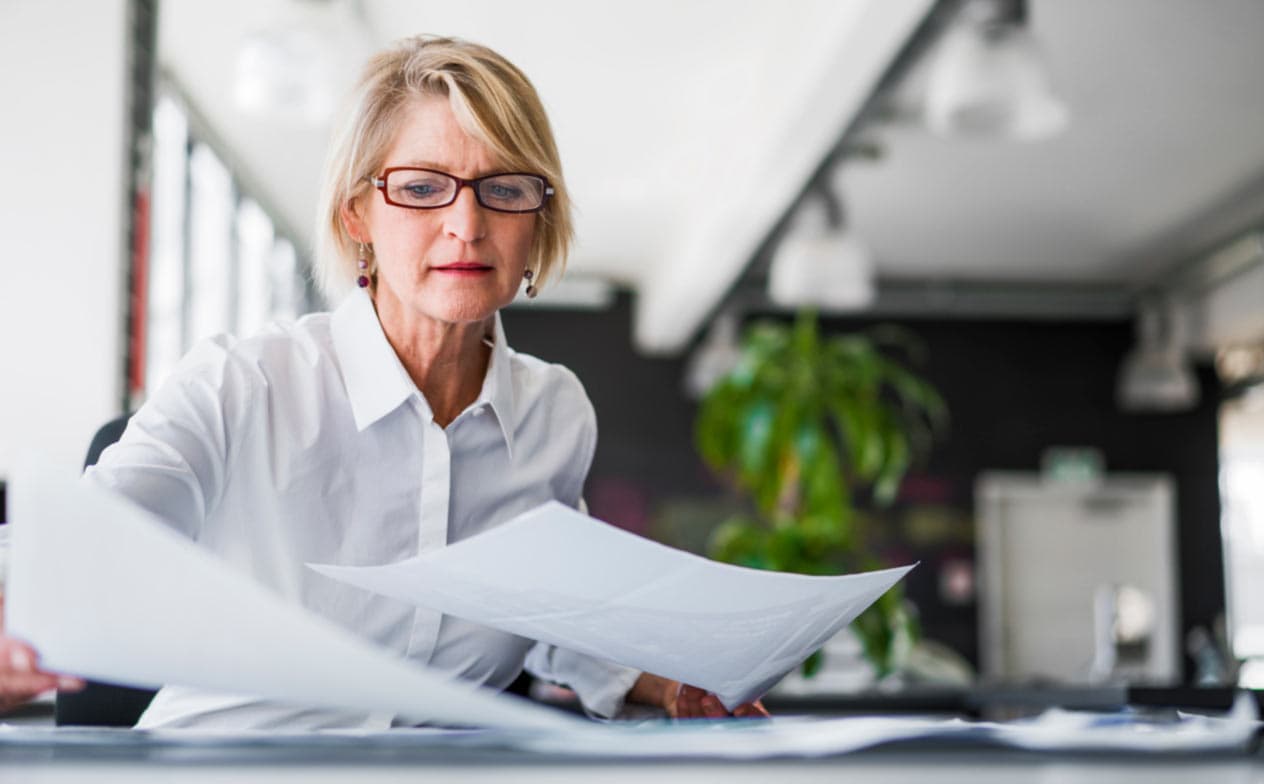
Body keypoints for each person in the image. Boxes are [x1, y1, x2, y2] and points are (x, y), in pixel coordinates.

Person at [0, 35, 766, 726]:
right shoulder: (243, 386)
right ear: (357, 215)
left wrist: (661, 682)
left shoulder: (552, 414)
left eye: (504, 188)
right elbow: (72, 545)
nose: (467, 226)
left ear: (538, 218)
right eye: (424, 188)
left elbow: (542, 611)